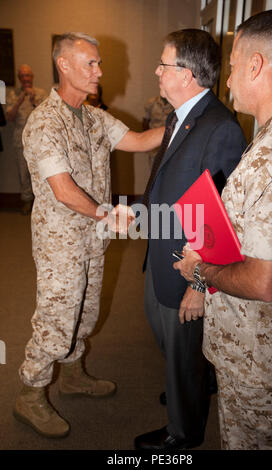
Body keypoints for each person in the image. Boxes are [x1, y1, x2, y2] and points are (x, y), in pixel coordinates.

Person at [13, 32, 163, 439]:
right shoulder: (45, 122)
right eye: (90, 64)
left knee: (86, 313)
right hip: (61, 240)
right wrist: (107, 213)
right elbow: (62, 189)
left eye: (98, 63)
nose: (100, 71)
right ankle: (30, 391)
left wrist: (187, 121)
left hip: (93, 237)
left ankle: (73, 375)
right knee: (57, 318)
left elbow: (135, 140)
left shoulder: (94, 116)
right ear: (64, 65)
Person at [173, 9, 272, 450]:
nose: (226, 81)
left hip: (260, 357)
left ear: (256, 65)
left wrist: (199, 270)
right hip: (263, 348)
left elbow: (266, 283)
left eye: (231, 68)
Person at [133, 29, 247, 450]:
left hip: (188, 269)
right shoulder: (178, 116)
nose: (157, 72)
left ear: (187, 74)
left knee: (182, 350)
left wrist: (199, 286)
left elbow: (222, 221)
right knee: (172, 347)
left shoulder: (220, 128)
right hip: (160, 253)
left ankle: (182, 435)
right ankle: (193, 388)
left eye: (164, 64)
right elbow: (171, 185)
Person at [5, 65, 48, 214]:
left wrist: (33, 99)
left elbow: (47, 116)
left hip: (39, 139)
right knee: (23, 173)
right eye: (22, 76)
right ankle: (27, 201)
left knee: (41, 172)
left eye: (28, 76)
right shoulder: (12, 94)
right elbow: (9, 117)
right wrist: (21, 98)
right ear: (19, 79)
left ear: (32, 77)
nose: (25, 79)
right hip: (20, 139)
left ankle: (42, 203)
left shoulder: (41, 93)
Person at [142, 95, 173, 167]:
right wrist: (146, 140)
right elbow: (145, 122)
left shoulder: (175, 102)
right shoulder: (152, 103)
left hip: (170, 141)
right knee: (154, 168)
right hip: (155, 144)